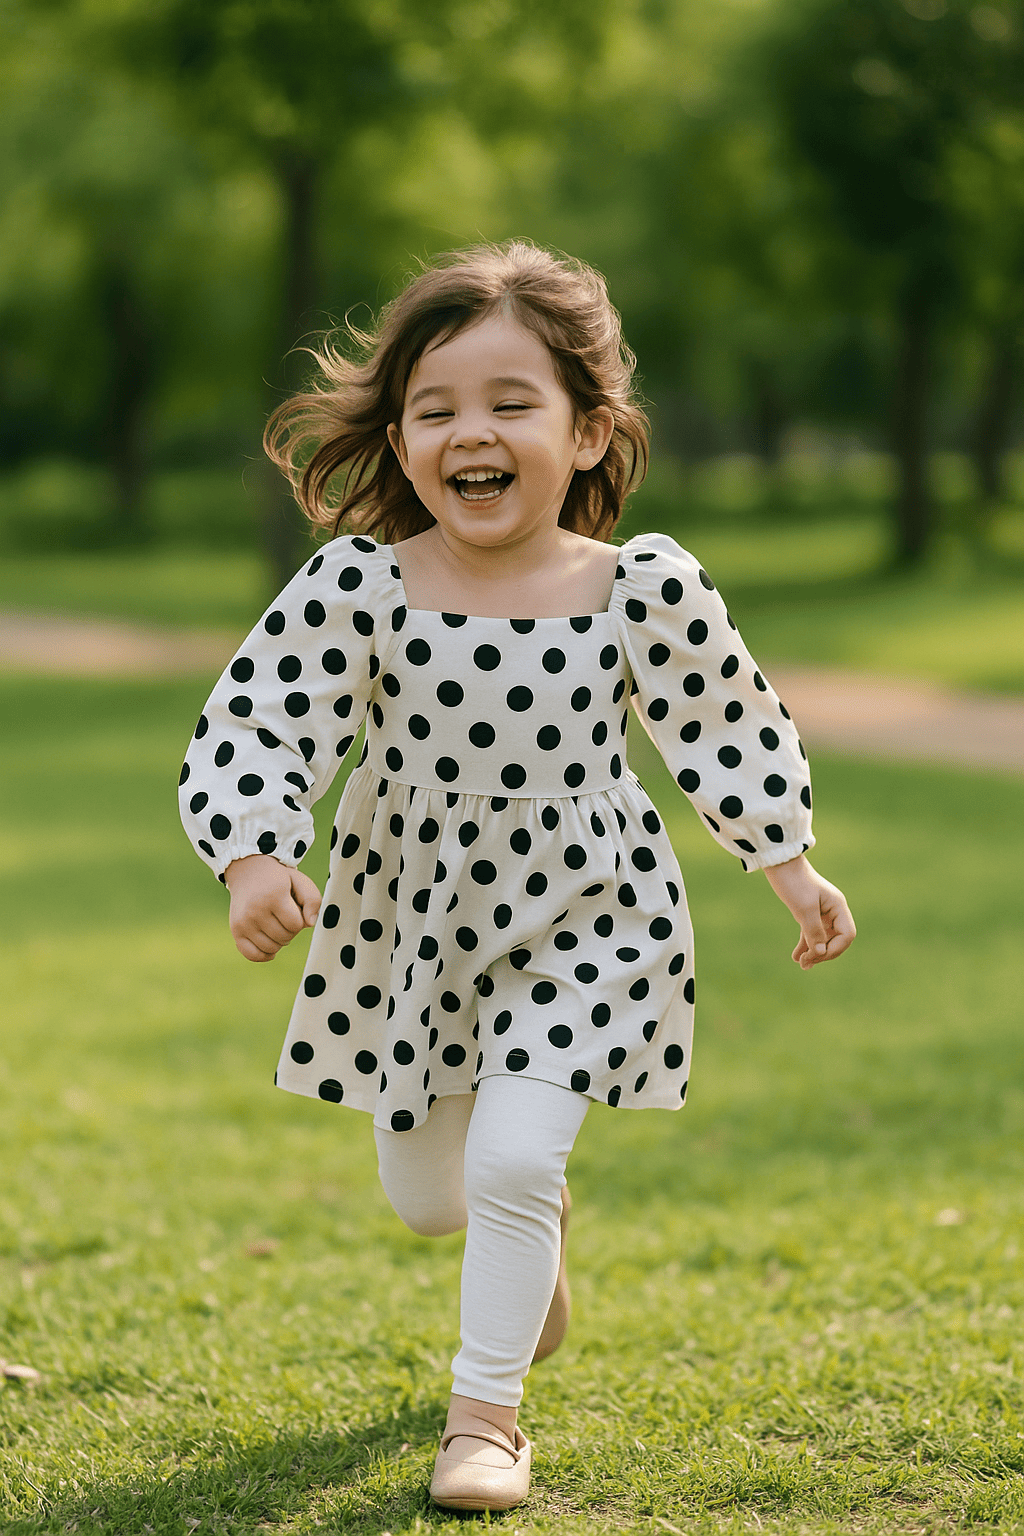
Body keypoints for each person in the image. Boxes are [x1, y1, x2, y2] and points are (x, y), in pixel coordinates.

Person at [178, 241, 856, 1512]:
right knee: (433, 1197)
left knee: (509, 1162)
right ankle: (528, 1232)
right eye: (434, 410)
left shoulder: (638, 589)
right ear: (400, 441)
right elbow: (262, 722)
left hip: (589, 916)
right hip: (410, 926)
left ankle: (484, 1420)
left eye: (509, 403)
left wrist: (791, 866)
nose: (469, 433)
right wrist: (255, 851)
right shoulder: (360, 587)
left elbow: (723, 727)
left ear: (586, 433)